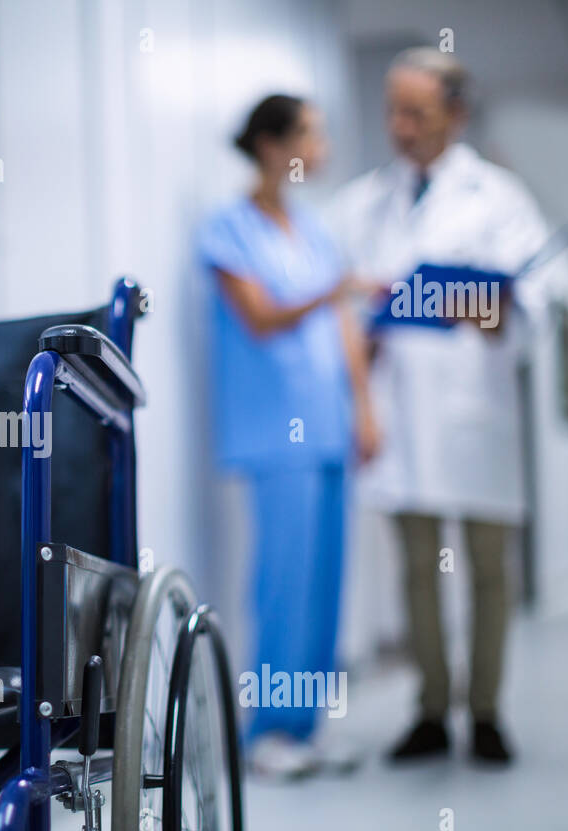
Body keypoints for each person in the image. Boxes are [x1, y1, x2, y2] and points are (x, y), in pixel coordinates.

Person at [330, 48, 550, 765]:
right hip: (401, 415)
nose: (400, 126)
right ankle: (431, 710)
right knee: (415, 567)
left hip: (472, 411)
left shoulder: (499, 197)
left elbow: (532, 303)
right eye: (393, 110)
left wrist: (457, 301)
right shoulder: (366, 200)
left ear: (455, 114)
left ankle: (485, 713)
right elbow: (344, 300)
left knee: (488, 568)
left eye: (416, 112)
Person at [198, 94, 379, 780]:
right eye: (313, 133)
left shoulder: (314, 228)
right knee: (282, 586)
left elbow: (344, 329)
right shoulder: (227, 229)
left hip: (329, 426)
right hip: (275, 432)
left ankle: (306, 727)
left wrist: (364, 408)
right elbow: (262, 317)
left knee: (325, 585)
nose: (324, 146)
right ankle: (267, 732)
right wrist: (333, 289)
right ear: (274, 146)